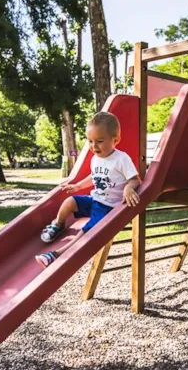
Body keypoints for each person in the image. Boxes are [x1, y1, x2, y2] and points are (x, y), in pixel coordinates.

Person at [36, 111, 140, 268]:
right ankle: (58, 224)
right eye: (90, 141)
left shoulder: (121, 159)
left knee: (87, 230)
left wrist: (128, 188)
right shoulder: (96, 159)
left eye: (99, 141)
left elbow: (135, 179)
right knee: (70, 202)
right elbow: (94, 176)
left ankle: (57, 254)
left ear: (115, 140)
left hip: (109, 208)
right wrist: (78, 186)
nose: (94, 146)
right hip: (95, 200)